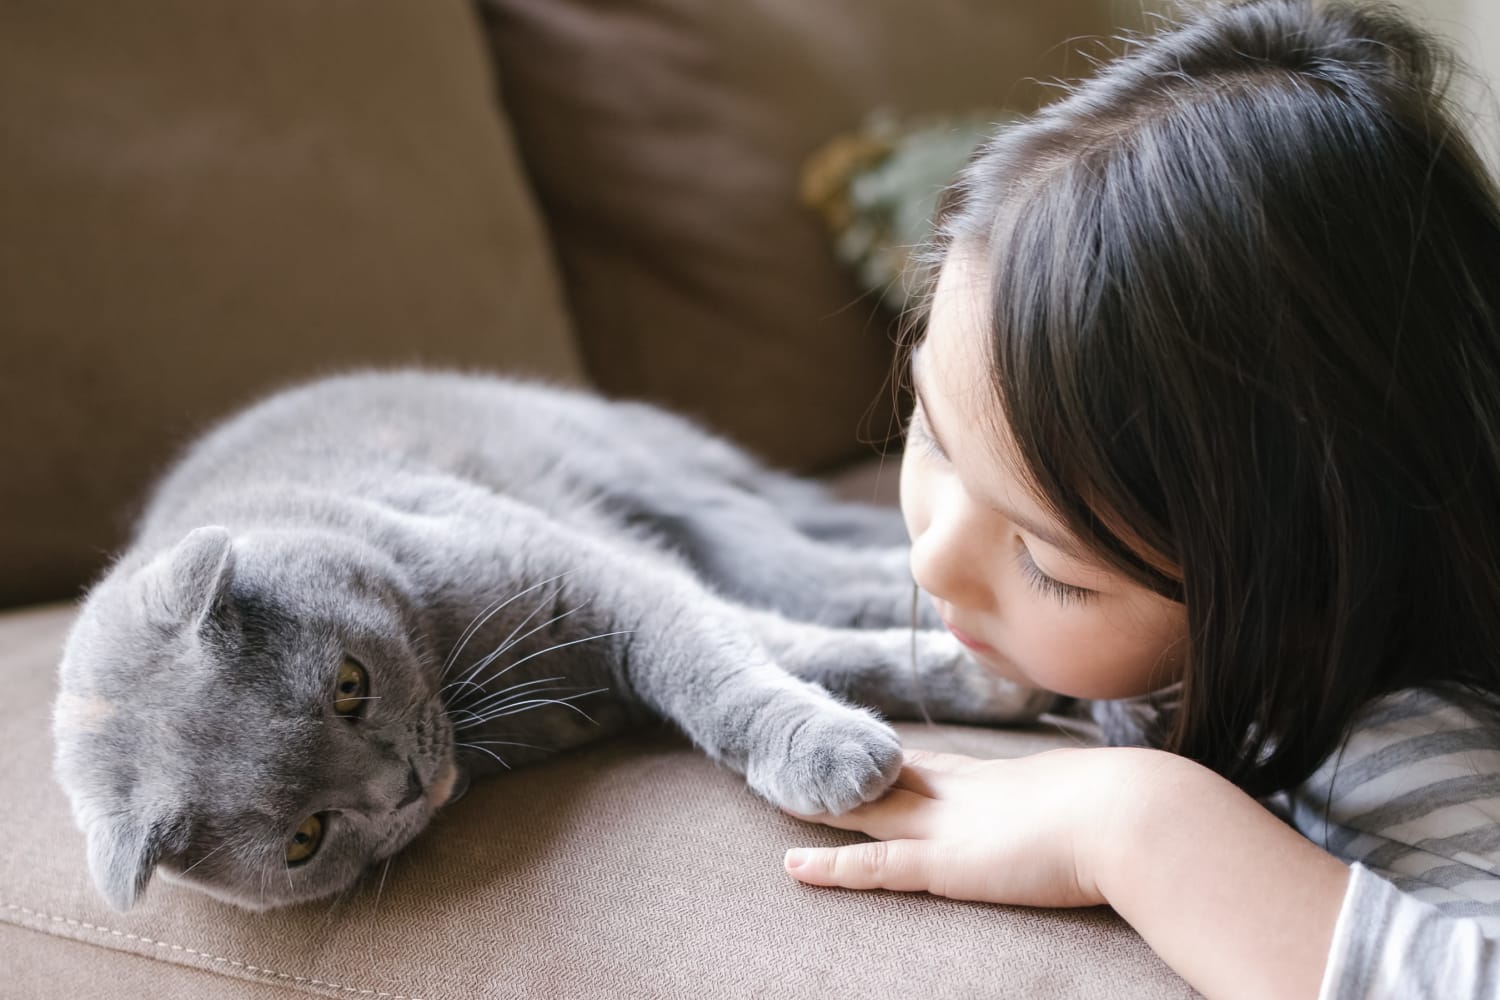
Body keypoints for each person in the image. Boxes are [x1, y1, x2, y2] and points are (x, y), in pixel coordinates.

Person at [781, 1, 1500, 997]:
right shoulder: (1122, 608)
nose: (933, 558)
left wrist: (1135, 822)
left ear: (1297, 595)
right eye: (935, 438)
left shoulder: (1402, 742)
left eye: (1050, 563)